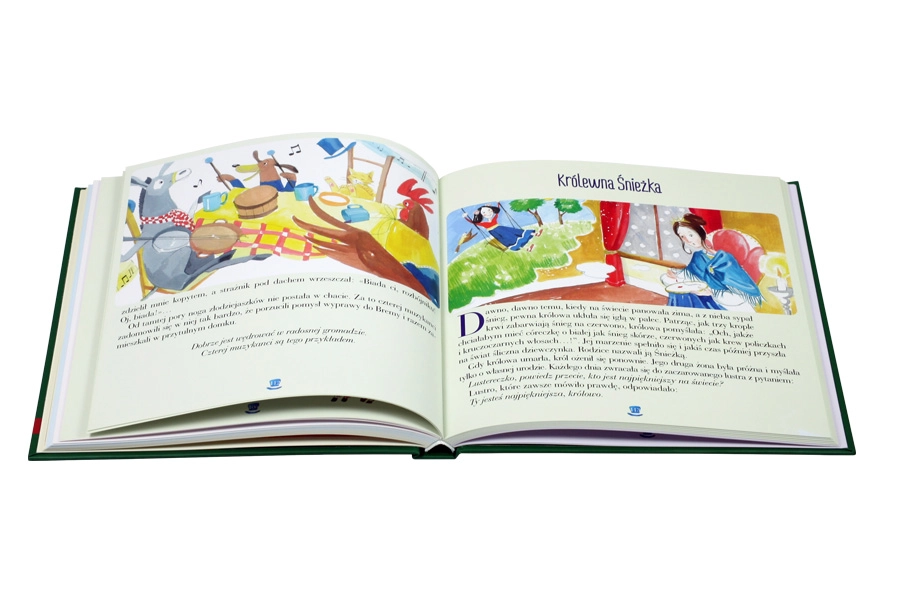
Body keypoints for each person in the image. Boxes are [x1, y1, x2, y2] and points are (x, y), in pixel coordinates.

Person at [661, 214, 763, 311]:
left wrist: (711, 293)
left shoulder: (725, 259)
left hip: (729, 305)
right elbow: (691, 277)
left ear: (700, 232)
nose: (688, 240)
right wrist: (675, 275)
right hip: (705, 298)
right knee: (680, 293)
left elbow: (739, 296)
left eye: (690, 235)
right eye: (682, 237)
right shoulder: (698, 257)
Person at [465, 204, 534, 251]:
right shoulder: (484, 224)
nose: (489, 213)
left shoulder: (494, 219)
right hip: (496, 232)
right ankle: (527, 248)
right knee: (510, 239)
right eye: (484, 212)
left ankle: (534, 234)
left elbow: (497, 212)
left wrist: (498, 204)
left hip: (501, 228)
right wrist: (466, 217)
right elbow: (474, 222)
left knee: (514, 232)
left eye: (490, 210)